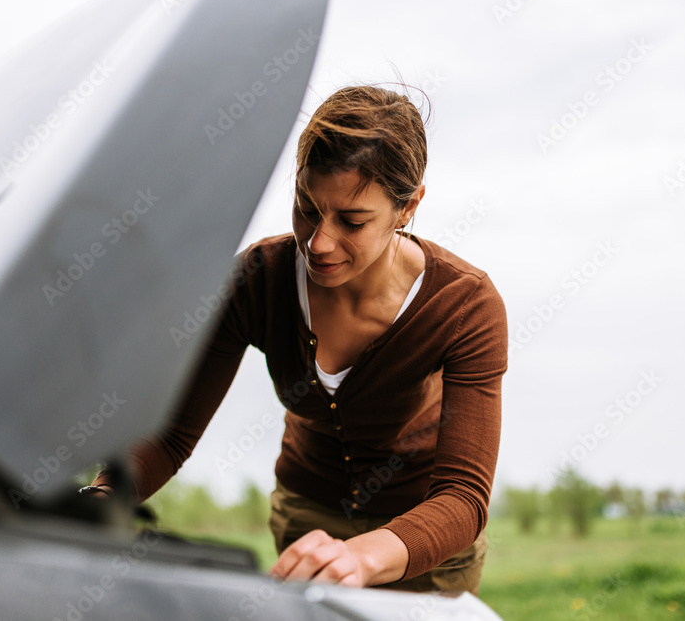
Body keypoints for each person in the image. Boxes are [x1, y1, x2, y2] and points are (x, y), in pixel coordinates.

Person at [88, 84, 507, 593]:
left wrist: (360, 556)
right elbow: (173, 435)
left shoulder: (467, 306)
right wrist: (102, 495)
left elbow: (463, 496)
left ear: (408, 207)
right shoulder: (255, 282)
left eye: (352, 220)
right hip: (306, 518)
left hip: (424, 535)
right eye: (307, 207)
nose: (318, 242)